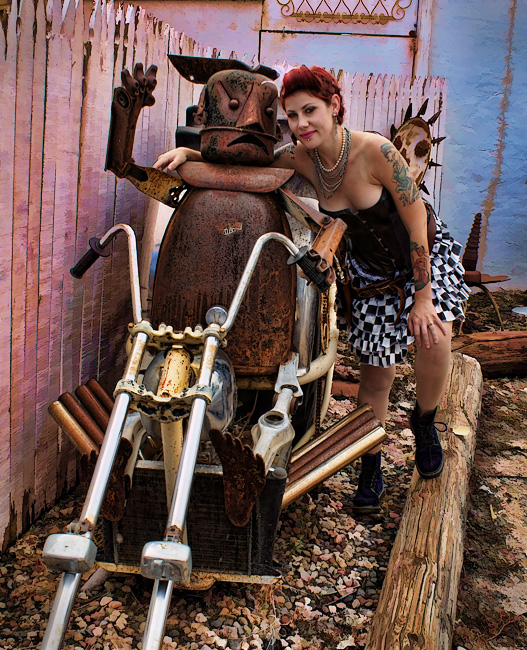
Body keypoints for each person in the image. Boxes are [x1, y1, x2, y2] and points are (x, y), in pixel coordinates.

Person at [153, 65, 470, 515]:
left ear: (334, 106)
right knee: (376, 375)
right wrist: (188, 153)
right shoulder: (299, 158)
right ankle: (371, 462)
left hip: (424, 254)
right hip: (372, 275)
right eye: (292, 115)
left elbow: (416, 219)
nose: (301, 123)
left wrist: (423, 297)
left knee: (434, 338)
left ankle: (424, 422)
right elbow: (247, 160)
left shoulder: (376, 151)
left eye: (310, 111)